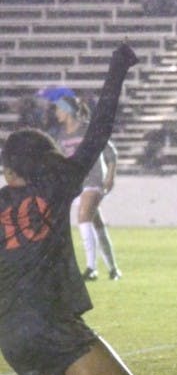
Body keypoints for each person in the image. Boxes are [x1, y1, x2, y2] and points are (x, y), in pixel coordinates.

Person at [0, 44, 163, 375]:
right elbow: (100, 130)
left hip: (12, 336)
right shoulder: (57, 186)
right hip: (49, 322)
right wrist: (117, 70)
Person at [53, 95, 123, 281]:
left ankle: (91, 268)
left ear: (67, 111)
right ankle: (113, 268)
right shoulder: (61, 135)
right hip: (77, 184)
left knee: (83, 218)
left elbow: (110, 152)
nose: (56, 113)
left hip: (93, 181)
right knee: (96, 223)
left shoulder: (87, 130)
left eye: (59, 109)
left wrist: (110, 175)